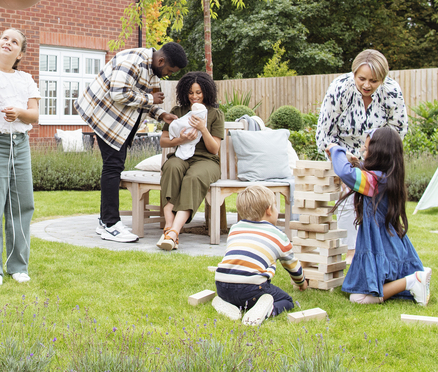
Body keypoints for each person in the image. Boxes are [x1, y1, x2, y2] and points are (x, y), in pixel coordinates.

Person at [77, 42, 186, 243]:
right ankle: (110, 224)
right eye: (169, 70)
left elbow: (141, 102)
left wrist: (162, 115)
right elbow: (118, 93)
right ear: (161, 61)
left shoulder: (153, 70)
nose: (168, 74)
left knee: (114, 167)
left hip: (121, 120)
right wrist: (150, 98)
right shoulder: (132, 62)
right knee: (112, 167)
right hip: (104, 115)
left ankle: (105, 220)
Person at [315, 49, 409, 253]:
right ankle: (350, 254)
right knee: (348, 204)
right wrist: (341, 159)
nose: (367, 85)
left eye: (374, 81)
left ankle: (382, 251)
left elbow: (397, 132)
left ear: (383, 78)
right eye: (362, 79)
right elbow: (324, 135)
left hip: (378, 159)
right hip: (343, 156)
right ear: (354, 73)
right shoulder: (340, 88)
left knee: (378, 208)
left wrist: (375, 162)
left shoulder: (392, 92)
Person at [326, 126, 432, 306]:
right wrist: (351, 160)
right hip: (391, 244)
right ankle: (415, 278)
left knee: (358, 297)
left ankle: (412, 281)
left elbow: (345, 173)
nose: (364, 152)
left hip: (380, 245)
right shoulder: (386, 177)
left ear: (378, 153)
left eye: (367, 150)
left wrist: (337, 149)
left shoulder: (375, 181)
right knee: (373, 286)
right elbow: (358, 173)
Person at [0, 28, 40, 285]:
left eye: (15, 42)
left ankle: (17, 265)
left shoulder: (26, 79)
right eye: (5, 38)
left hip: (20, 144)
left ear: (20, 53)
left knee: (22, 205)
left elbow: (34, 115)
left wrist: (20, 113)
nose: (8, 42)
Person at [211, 184, 307, 326]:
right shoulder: (278, 235)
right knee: (287, 301)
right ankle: (267, 310)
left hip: (222, 286)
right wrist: (302, 282)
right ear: (269, 210)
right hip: (252, 288)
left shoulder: (235, 229)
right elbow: (291, 264)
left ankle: (229, 305)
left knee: (238, 294)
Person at [155, 71, 224, 251]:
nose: (194, 97)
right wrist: (180, 141)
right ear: (185, 92)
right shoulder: (177, 112)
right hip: (181, 155)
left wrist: (203, 128)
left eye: (199, 92)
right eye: (191, 92)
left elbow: (214, 149)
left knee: (193, 178)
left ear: (206, 92)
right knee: (171, 167)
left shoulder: (215, 114)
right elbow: (163, 141)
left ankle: (173, 233)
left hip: (207, 161)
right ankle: (169, 227)